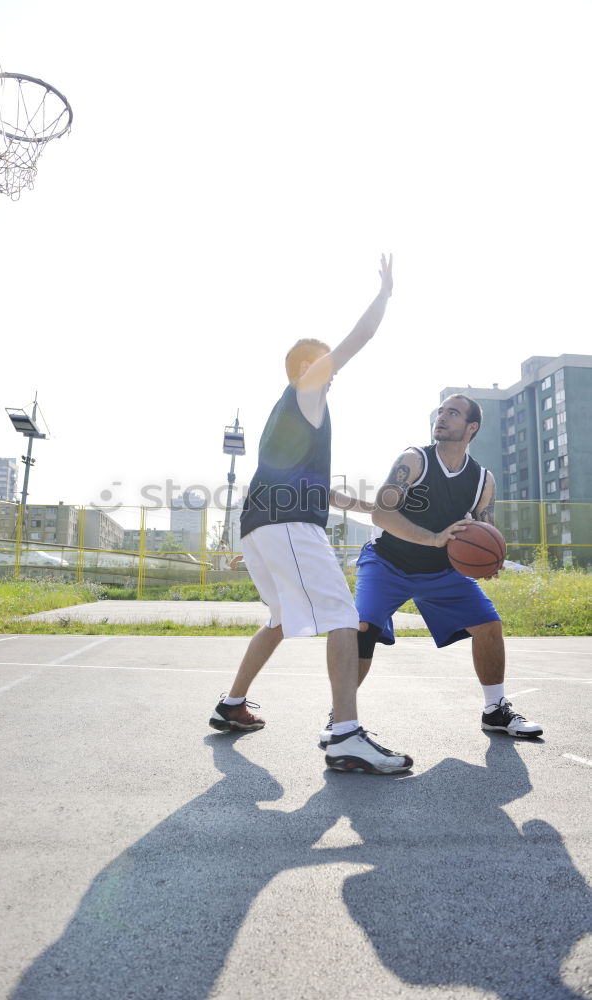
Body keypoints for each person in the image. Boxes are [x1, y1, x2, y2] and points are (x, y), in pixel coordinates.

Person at [208, 255, 414, 775]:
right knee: (345, 616)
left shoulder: (300, 415)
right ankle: (346, 734)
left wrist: (369, 508)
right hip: (285, 526)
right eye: (325, 363)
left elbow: (319, 491)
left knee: (280, 618)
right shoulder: (305, 391)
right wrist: (384, 296)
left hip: (260, 524)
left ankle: (232, 703)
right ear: (309, 368)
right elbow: (357, 339)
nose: (333, 370)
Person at [320, 393, 543, 746]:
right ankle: (341, 717)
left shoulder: (483, 480)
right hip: (388, 562)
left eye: (452, 413)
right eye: (440, 412)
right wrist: (435, 537)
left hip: (441, 571)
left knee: (489, 626)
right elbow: (381, 514)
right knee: (362, 626)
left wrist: (493, 561)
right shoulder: (414, 460)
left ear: (471, 427)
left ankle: (495, 710)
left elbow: (486, 530)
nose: (441, 417)